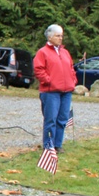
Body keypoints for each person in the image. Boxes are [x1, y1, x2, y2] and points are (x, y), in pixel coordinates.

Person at [33, 24, 77, 152]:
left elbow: (71, 68)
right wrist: (49, 81)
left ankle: (58, 144)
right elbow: (38, 69)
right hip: (50, 91)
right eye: (58, 36)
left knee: (62, 119)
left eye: (62, 36)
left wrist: (73, 80)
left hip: (66, 91)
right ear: (50, 37)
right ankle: (48, 145)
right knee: (51, 119)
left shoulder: (65, 52)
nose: (60, 38)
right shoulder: (43, 52)